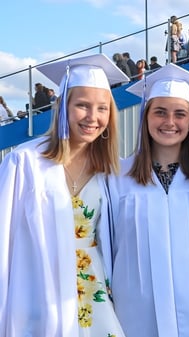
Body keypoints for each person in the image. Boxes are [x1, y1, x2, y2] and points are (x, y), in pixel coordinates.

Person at [0, 53, 129, 336]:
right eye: (82, 105)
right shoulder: (25, 163)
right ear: (62, 106)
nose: (93, 118)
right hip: (38, 290)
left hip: (92, 293)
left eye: (102, 108)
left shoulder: (110, 170)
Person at [109, 63, 189, 337]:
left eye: (180, 114)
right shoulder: (117, 177)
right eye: (160, 112)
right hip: (136, 313)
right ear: (145, 117)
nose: (170, 122)